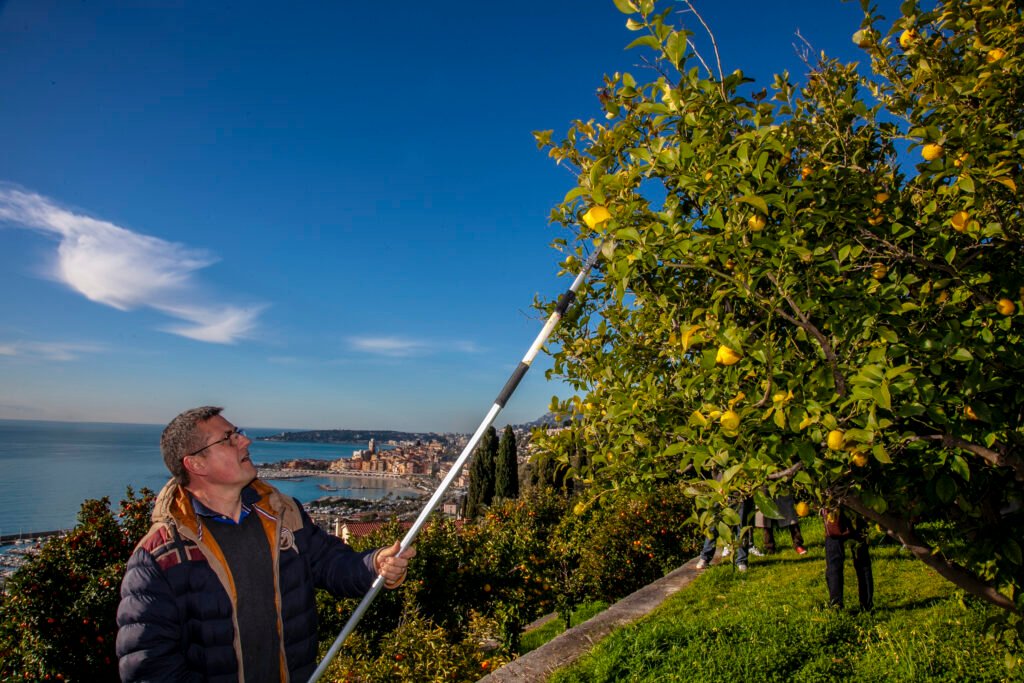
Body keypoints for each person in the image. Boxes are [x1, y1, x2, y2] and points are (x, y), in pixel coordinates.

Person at [116, 406, 415, 681]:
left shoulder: (284, 515)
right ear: (196, 464)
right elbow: (150, 668)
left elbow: (331, 564)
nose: (245, 442)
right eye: (228, 439)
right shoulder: (160, 556)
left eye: (239, 434)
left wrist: (375, 564)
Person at [821, 506, 873, 610]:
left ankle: (836, 605)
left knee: (834, 564)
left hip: (834, 513)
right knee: (862, 562)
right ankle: (866, 605)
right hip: (857, 509)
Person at [695, 496, 754, 572]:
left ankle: (742, 561)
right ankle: (705, 558)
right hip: (721, 496)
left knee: (741, 528)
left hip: (740, 497)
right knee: (713, 526)